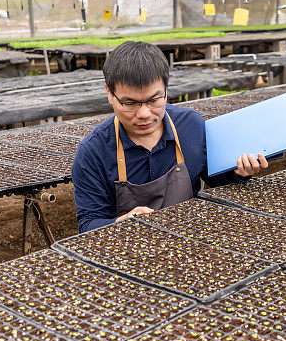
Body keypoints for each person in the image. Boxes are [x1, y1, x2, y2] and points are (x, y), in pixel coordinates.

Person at [72, 41, 268, 233]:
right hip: (128, 249)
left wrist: (239, 173)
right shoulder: (93, 152)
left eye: (154, 100)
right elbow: (89, 223)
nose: (144, 114)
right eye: (130, 103)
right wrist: (122, 223)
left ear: (166, 89)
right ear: (109, 93)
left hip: (190, 236)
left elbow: (216, 179)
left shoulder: (190, 126)